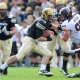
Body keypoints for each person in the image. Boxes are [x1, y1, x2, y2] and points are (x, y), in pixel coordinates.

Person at [0, 7, 63, 76]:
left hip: (34, 42)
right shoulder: (41, 22)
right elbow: (39, 38)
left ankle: (42, 70)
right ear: (46, 15)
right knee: (19, 57)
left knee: (48, 53)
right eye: (50, 16)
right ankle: (1, 68)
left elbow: (51, 25)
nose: (51, 17)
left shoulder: (45, 20)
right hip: (29, 41)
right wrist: (49, 39)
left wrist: (61, 28)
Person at [39, 0, 71, 76]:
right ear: (56, 6)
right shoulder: (54, 13)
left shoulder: (68, 11)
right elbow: (55, 25)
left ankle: (64, 68)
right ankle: (47, 69)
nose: (61, 6)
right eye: (59, 5)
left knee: (67, 49)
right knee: (49, 53)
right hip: (52, 33)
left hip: (61, 32)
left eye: (62, 5)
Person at [58, 7, 80, 78]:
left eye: (63, 15)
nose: (62, 17)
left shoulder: (67, 24)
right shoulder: (77, 15)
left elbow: (65, 39)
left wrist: (60, 35)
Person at [0, 3, 16, 75]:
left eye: (4, 10)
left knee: (6, 56)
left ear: (6, 10)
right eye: (1, 10)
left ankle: (4, 71)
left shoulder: (10, 18)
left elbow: (14, 31)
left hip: (7, 39)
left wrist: (8, 32)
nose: (2, 11)